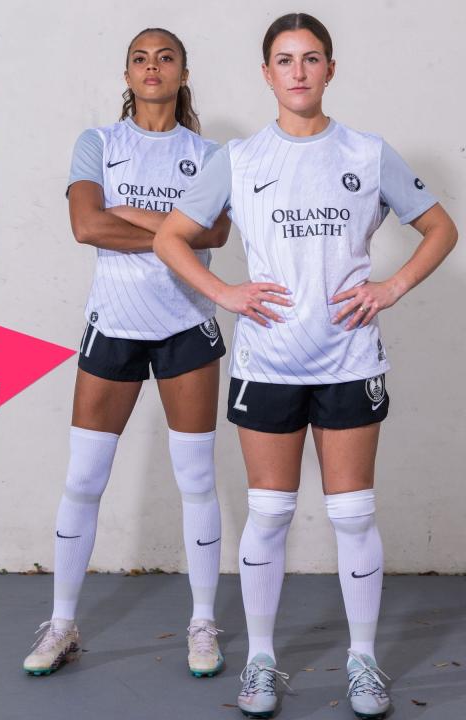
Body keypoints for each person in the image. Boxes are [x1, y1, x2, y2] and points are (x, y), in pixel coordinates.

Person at [153, 13, 457, 719]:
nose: (297, 70)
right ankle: (260, 661)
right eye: (284, 59)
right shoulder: (239, 158)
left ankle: (364, 662)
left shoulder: (367, 151)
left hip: (349, 361)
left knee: (353, 515)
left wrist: (391, 286)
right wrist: (225, 292)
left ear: (329, 69)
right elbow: (172, 237)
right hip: (269, 365)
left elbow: (440, 227)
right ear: (267, 74)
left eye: (310, 58)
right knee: (269, 512)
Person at [22, 28, 231, 678]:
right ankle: (62, 625)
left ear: (183, 72)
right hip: (112, 325)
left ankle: (202, 624)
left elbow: (218, 231)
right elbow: (87, 225)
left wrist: (132, 216)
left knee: (197, 479)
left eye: (164, 57)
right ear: (127, 72)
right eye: (140, 57)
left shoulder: (210, 153)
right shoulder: (99, 142)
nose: (152, 66)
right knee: (84, 479)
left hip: (187, 327)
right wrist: (174, 230)